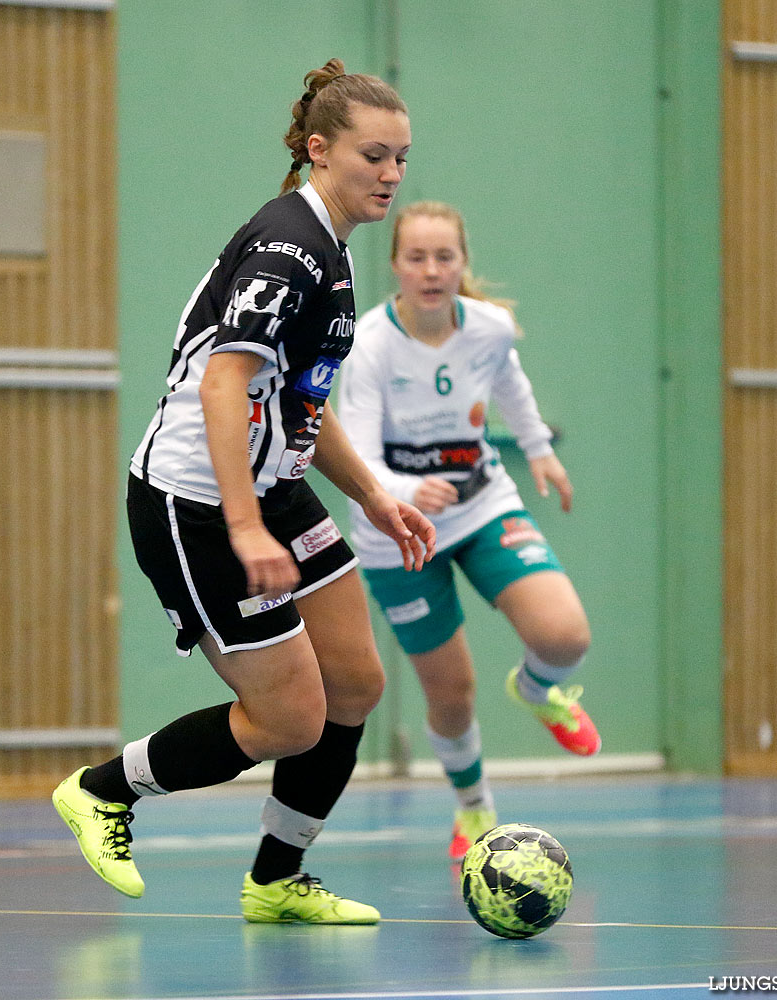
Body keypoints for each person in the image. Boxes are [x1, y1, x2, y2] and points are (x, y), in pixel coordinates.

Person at [52, 58, 434, 924]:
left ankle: (276, 879)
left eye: (403, 158)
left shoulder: (329, 247)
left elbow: (298, 397)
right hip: (197, 504)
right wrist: (242, 525)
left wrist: (371, 494)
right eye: (374, 156)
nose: (392, 175)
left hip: (274, 488)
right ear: (318, 149)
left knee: (355, 681)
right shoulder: (288, 248)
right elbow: (226, 385)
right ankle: (103, 790)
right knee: (292, 717)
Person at [335, 201, 598, 861]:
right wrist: (402, 490)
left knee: (564, 635)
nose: (431, 270)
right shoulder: (369, 343)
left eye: (444, 257)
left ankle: (537, 688)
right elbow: (357, 457)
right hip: (396, 530)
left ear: (462, 264)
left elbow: (508, 383)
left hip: (481, 506)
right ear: (394, 264)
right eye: (417, 257)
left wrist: (538, 448)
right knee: (450, 694)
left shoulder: (490, 329)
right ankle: (475, 808)